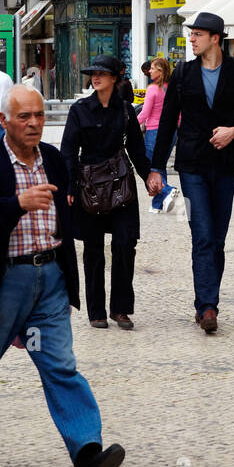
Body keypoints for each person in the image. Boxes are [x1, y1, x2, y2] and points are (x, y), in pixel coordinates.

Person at [0, 84, 125, 467]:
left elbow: (68, 212)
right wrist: (16, 204)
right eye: (24, 116)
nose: (33, 124)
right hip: (2, 282)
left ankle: (86, 455)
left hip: (50, 283)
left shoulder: (56, 162)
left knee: (61, 366)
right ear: (4, 121)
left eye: (39, 116)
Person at [150, 12, 234, 332]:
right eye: (192, 34)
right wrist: (157, 169)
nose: (192, 39)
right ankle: (207, 306)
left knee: (217, 239)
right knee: (201, 233)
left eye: (198, 34)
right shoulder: (184, 74)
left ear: (216, 38)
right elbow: (167, 124)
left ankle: (208, 302)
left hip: (225, 167)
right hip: (191, 166)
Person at [61, 55, 155, 330]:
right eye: (93, 73)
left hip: (121, 184)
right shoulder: (79, 110)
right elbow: (68, 151)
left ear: (115, 78)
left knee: (125, 245)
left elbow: (137, 150)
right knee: (93, 250)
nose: (96, 77)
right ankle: (96, 312)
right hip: (88, 186)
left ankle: (121, 309)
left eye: (102, 73)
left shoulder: (126, 110)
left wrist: (149, 177)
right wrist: (68, 187)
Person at [137, 56, 178, 213]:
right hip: (172, 132)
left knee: (152, 166)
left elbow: (145, 113)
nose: (150, 71)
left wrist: (131, 124)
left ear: (160, 71)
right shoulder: (170, 88)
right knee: (160, 166)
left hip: (154, 131)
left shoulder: (152, 89)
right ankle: (157, 205)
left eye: (153, 68)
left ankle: (167, 190)